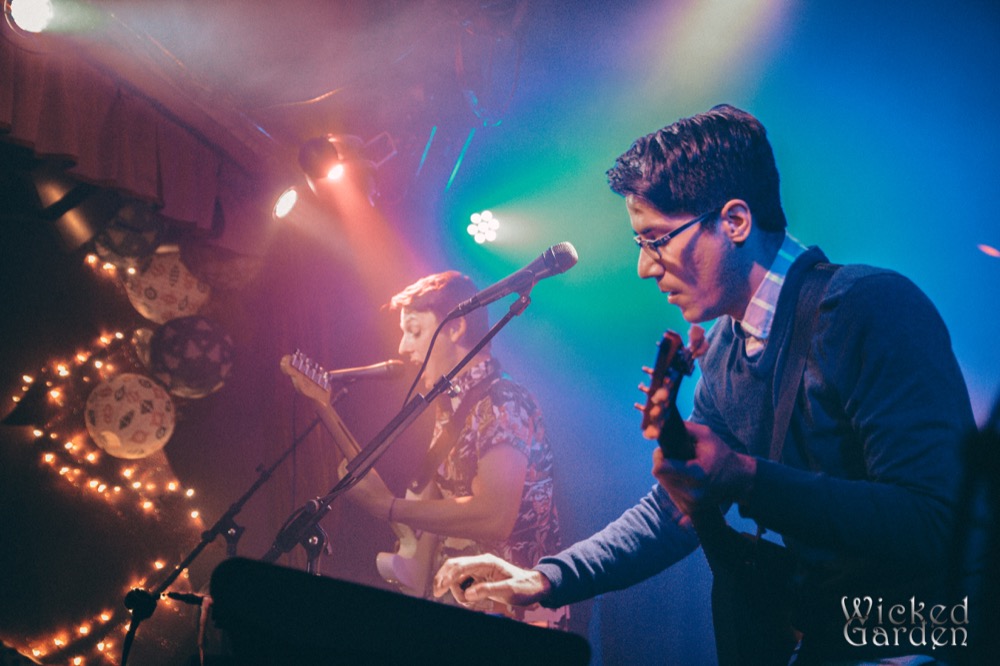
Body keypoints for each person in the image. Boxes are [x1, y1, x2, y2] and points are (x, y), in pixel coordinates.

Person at [433, 105, 977, 664]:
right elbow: (674, 511)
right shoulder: (725, 351)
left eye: (656, 239)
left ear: (735, 222)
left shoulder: (867, 309)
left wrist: (747, 477)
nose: (645, 268)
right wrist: (544, 578)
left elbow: (938, 519)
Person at [284, 270, 568, 629]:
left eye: (414, 331)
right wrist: (324, 408)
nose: (403, 347)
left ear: (455, 328)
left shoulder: (502, 400)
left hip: (519, 620)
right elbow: (421, 513)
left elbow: (495, 516)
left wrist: (388, 507)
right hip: (464, 609)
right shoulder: (450, 409)